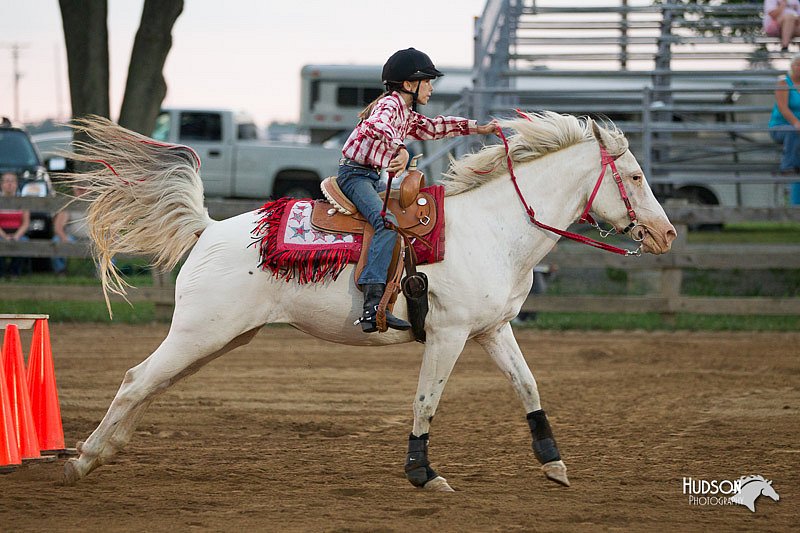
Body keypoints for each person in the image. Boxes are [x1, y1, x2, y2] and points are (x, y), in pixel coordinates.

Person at [339, 47, 498, 333]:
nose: (432, 87)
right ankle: (372, 305)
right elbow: (377, 126)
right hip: (356, 176)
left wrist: (479, 128)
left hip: (371, 176)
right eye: (428, 81)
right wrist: (399, 147)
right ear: (410, 85)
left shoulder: (406, 112)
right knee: (386, 224)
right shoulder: (389, 106)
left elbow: (436, 127)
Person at [769, 53, 800, 176]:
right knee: (792, 131)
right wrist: (796, 123)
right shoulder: (783, 83)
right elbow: (783, 108)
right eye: (798, 65)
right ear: (792, 66)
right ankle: (787, 166)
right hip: (780, 127)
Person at [51, 183, 90, 275]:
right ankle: (61, 271)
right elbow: (58, 227)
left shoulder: (96, 205)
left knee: (108, 244)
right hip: (73, 238)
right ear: (74, 190)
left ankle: (105, 273)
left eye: (84, 189)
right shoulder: (69, 205)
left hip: (92, 239)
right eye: (79, 189)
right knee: (56, 241)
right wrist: (64, 238)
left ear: (89, 190)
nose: (82, 192)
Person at [0, 171, 30, 277]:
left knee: (24, 242)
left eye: (12, 181)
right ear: (1, 184)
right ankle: (2, 272)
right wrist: (4, 236)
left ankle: (15, 272)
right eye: (7, 181)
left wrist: (16, 236)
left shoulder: (23, 201)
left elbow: (26, 223)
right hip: (1, 232)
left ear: (16, 184)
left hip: (18, 232)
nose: (9, 184)